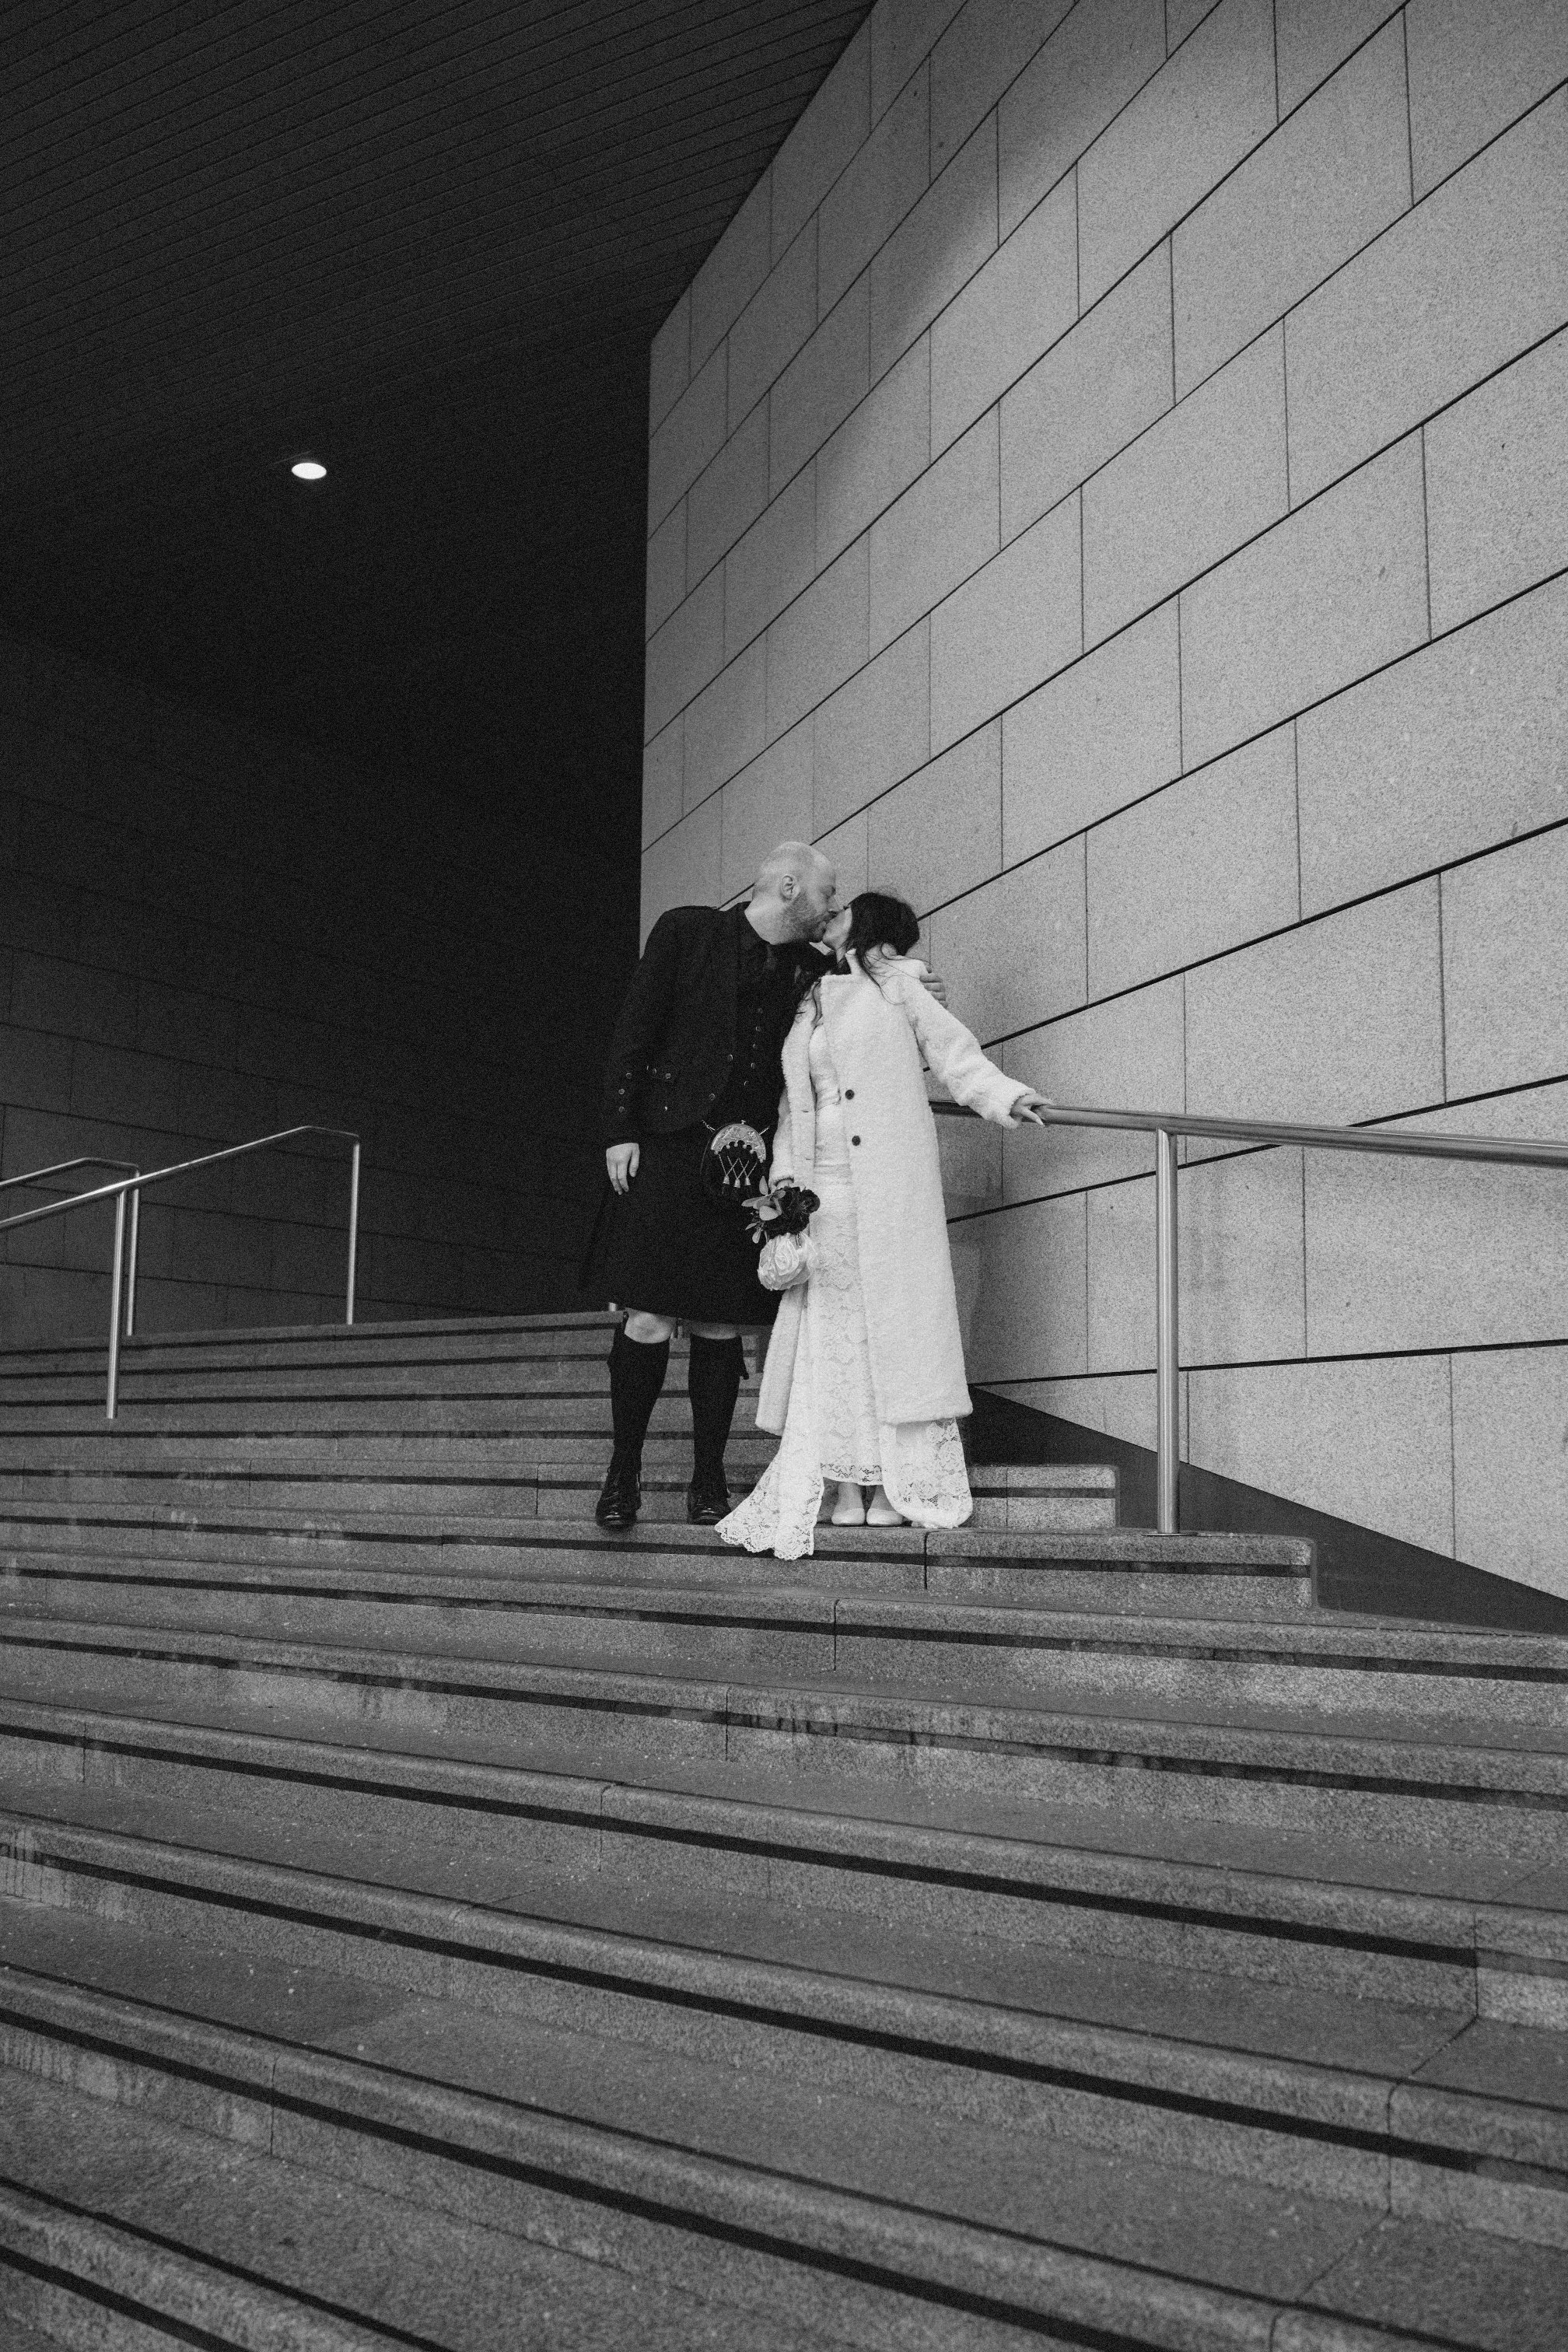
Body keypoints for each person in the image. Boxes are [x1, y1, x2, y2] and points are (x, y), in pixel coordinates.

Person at [717, 891, 1049, 1561]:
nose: (828, 918)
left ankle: (894, 1487)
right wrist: (784, 1182)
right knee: (833, 1337)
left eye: (841, 913)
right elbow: (792, 1104)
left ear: (864, 926)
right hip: (823, 1191)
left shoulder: (902, 983)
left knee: (888, 1333)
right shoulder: (808, 997)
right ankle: (843, 1485)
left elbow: (954, 1053)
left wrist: (1007, 1096)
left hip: (889, 1186)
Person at [583, 841, 841, 1531]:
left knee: (721, 1324)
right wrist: (619, 1128)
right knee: (648, 1316)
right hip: (669, 1147)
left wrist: (904, 975)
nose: (833, 909)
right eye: (827, 896)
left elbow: (867, 990)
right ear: (789, 888)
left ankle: (708, 1478)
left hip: (747, 1167)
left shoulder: (812, 968)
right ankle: (623, 1472)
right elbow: (634, 1028)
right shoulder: (687, 931)